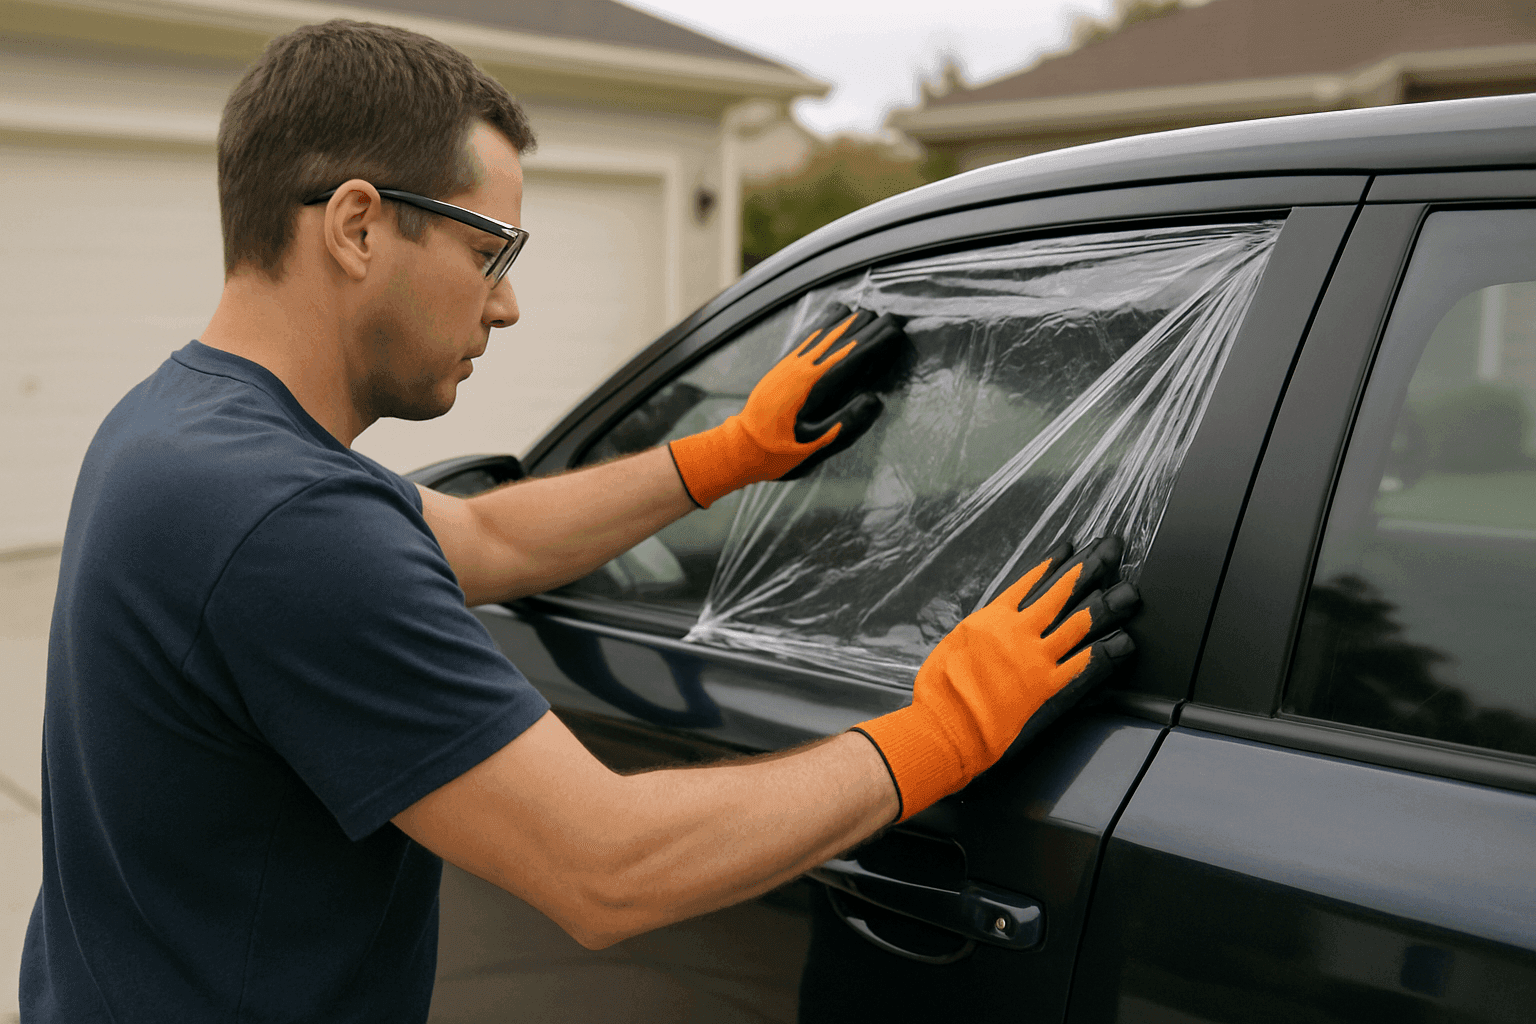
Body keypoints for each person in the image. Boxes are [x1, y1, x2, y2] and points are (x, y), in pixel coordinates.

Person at [19, 19, 1137, 1023]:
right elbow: (609, 867)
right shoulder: (289, 519)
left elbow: (490, 541)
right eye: (488, 250)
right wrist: (943, 728)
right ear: (358, 225)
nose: (506, 301)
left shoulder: (179, 426)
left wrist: (724, 455)